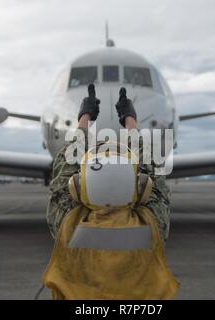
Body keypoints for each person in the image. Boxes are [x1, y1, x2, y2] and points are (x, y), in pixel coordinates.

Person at [42, 84, 178, 300]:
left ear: (77, 186)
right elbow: (153, 170)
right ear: (141, 188)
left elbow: (63, 174)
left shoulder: (67, 226)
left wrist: (85, 118)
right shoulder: (153, 226)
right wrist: (130, 120)